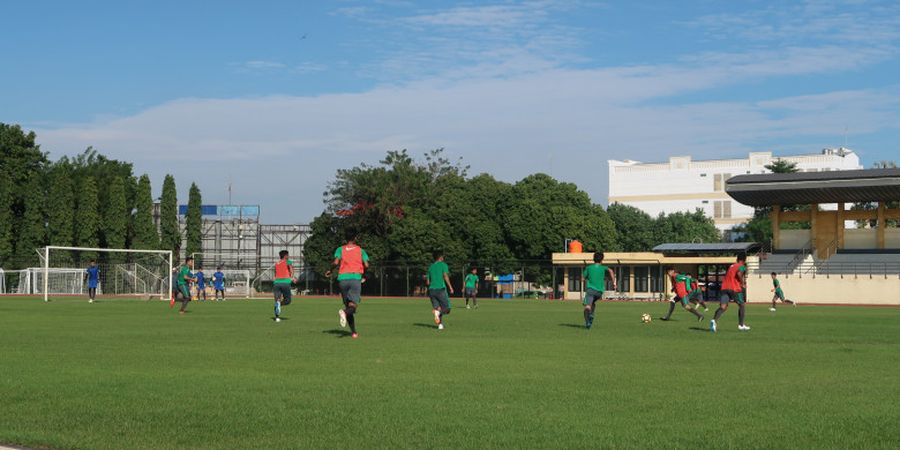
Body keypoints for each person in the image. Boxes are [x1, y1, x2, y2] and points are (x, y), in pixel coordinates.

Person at [327, 237, 370, 338]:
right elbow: (367, 265)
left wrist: (330, 270)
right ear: (356, 238)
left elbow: (336, 262)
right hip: (355, 278)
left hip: (342, 279)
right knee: (353, 306)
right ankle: (344, 312)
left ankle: (354, 332)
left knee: (349, 306)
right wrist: (364, 274)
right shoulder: (360, 250)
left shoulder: (340, 249)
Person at [711, 253, 749, 332]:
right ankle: (741, 325)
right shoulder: (741, 266)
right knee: (741, 305)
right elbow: (739, 273)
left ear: (737, 259)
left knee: (723, 307)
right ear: (744, 260)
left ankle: (714, 321)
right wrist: (742, 283)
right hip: (734, 288)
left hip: (724, 288)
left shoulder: (731, 266)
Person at [582, 252, 616, 329]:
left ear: (593, 259)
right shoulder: (603, 268)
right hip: (599, 292)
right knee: (593, 303)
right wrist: (614, 282)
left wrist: (587, 278)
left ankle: (587, 322)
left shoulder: (589, 268)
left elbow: (583, 278)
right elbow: (611, 270)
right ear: (602, 260)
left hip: (590, 290)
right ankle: (591, 315)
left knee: (587, 307)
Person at [427, 251, 454, 330]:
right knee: (447, 309)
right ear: (440, 257)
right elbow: (445, 276)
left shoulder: (431, 267)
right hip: (440, 289)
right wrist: (450, 287)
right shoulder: (443, 265)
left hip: (431, 290)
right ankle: (438, 313)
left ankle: (440, 325)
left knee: (438, 308)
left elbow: (428, 282)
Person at [273, 250, 295, 323]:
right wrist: (292, 278)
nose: (288, 256)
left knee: (277, 301)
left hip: (276, 283)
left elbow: (275, 274)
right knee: (288, 301)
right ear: (285, 256)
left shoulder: (276, 263)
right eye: (288, 255)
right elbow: (291, 270)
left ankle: (277, 318)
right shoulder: (288, 261)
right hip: (285, 283)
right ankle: (280, 304)